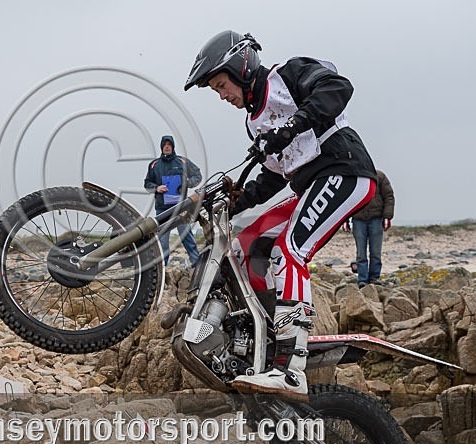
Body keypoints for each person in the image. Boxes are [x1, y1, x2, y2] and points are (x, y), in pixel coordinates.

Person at [184, 31, 378, 399]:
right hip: (310, 184)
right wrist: (232, 201)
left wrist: (289, 127)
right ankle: (271, 336)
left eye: (222, 86)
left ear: (241, 68)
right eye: (216, 91)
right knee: (247, 244)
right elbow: (274, 176)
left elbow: (338, 88)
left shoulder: (288, 75)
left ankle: (290, 367)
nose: (222, 96)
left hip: (344, 169)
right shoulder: (254, 123)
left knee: (289, 251)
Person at [144, 135, 202, 267]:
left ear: (173, 146)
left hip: (181, 208)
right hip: (162, 209)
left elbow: (198, 175)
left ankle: (197, 264)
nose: (167, 147)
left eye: (169, 145)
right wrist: (157, 188)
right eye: (165, 145)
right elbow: (147, 184)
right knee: (162, 241)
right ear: (161, 147)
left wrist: (186, 183)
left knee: (186, 236)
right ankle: (163, 269)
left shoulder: (182, 161)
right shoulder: (154, 165)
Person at [343, 170, 395, 287]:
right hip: (358, 220)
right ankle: (362, 280)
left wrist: (387, 216)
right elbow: (346, 199)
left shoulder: (380, 176)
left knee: (375, 252)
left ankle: (374, 279)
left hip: (376, 219)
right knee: (361, 253)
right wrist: (344, 220)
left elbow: (389, 196)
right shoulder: (354, 177)